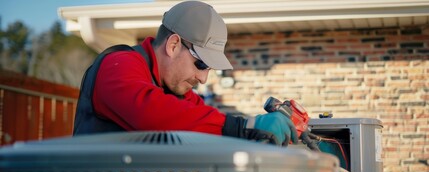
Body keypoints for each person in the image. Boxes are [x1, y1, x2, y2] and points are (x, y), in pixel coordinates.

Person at [73, 0, 298, 146]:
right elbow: (151, 114)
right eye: (200, 65)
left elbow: (206, 124)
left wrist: (251, 134)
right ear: (173, 45)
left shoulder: (174, 88)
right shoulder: (118, 65)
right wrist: (245, 127)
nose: (203, 78)